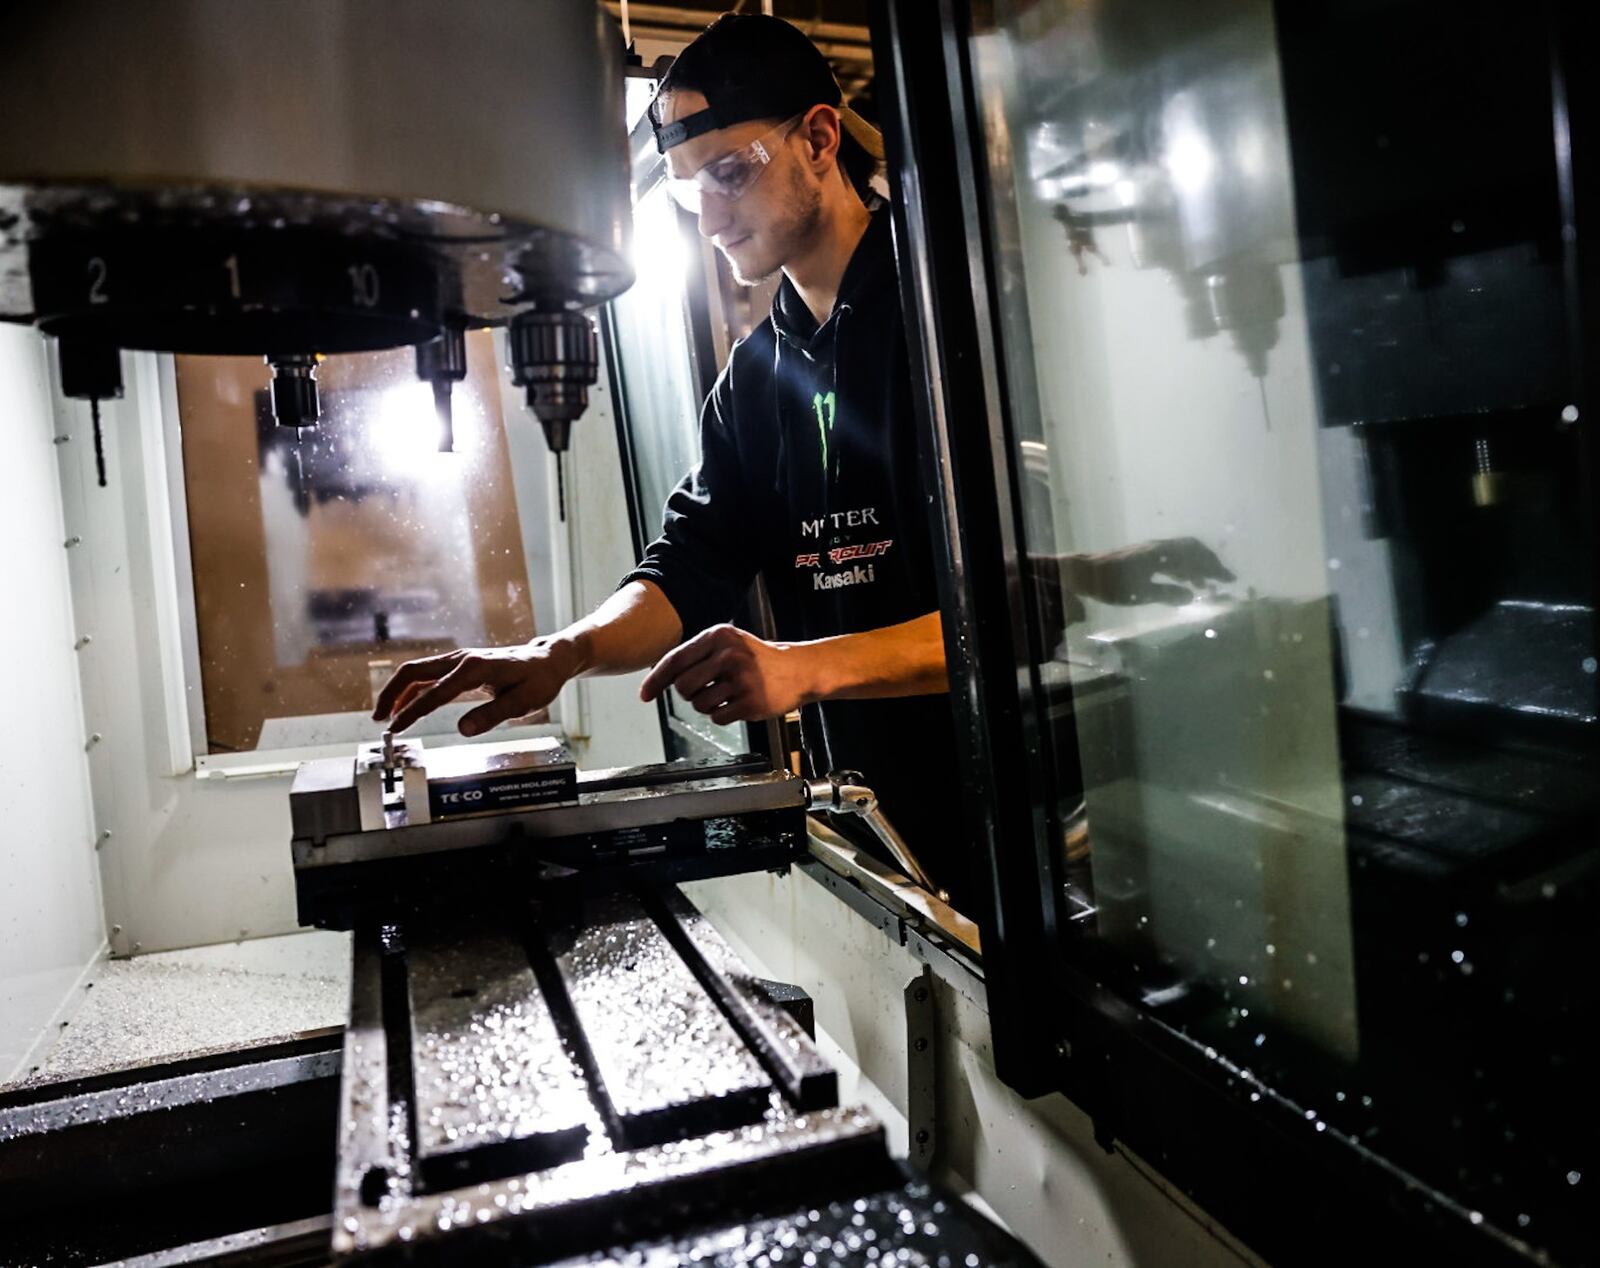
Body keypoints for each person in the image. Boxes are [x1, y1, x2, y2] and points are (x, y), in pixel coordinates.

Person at [372, 14, 1230, 910]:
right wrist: (567, 651)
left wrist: (801, 666)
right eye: (684, 193)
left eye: (730, 173)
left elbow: (1019, 609)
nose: (708, 218)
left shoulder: (952, 308)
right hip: (878, 831)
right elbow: (690, 566)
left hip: (1040, 827)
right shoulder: (754, 380)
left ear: (820, 138)